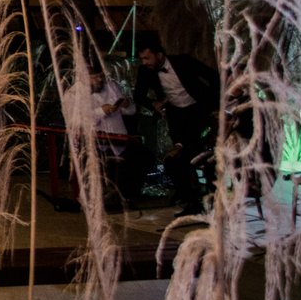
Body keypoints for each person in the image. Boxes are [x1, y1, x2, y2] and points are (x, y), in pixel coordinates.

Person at [134, 38, 220, 217]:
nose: (145, 62)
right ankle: (190, 198)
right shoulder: (145, 71)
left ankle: (210, 196)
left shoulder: (183, 62)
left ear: (159, 55)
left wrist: (214, 104)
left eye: (147, 58)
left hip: (199, 111)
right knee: (178, 156)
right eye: (142, 59)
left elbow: (212, 76)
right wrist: (154, 104)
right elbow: (138, 95)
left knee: (197, 153)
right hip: (177, 116)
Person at [65, 67, 146, 208]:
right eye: (95, 77)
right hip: (94, 143)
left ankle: (127, 197)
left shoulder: (112, 86)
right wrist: (100, 111)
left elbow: (131, 110)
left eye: (101, 75)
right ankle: (100, 198)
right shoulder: (72, 94)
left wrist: (126, 105)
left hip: (120, 140)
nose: (100, 79)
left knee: (143, 157)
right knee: (98, 163)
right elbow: (74, 122)